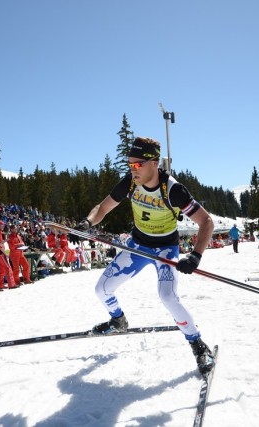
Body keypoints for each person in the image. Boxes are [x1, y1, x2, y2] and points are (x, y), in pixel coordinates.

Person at [74, 136, 215, 375]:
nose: (132, 169)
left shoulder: (173, 190)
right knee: (102, 290)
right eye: (129, 164)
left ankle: (198, 345)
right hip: (137, 246)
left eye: (137, 164)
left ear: (154, 163)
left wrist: (195, 256)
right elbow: (103, 208)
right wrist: (87, 222)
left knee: (168, 297)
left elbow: (206, 221)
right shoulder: (129, 182)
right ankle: (118, 319)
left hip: (165, 249)